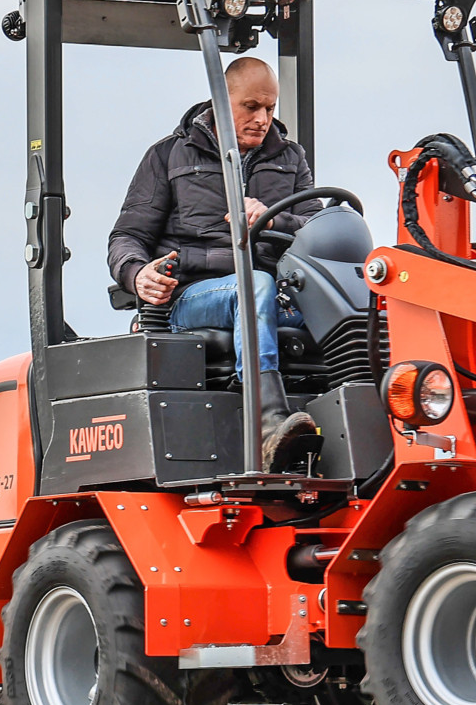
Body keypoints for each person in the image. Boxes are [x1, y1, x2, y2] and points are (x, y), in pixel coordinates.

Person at [107, 55, 324, 465]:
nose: (263, 118)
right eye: (252, 107)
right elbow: (127, 237)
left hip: (273, 292)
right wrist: (137, 275)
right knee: (252, 284)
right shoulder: (169, 156)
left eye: (271, 108)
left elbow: (316, 227)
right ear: (222, 102)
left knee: (356, 301)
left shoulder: (290, 157)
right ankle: (268, 422)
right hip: (194, 296)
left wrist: (276, 217)